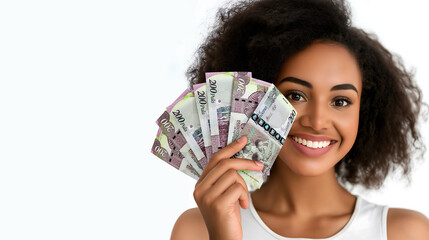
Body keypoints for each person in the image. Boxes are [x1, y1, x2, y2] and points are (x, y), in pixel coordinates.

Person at [171, 0, 429, 239]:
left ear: (366, 110)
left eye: (340, 101)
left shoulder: (405, 232)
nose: (317, 122)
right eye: (295, 95)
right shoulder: (197, 229)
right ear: (253, 100)